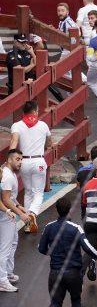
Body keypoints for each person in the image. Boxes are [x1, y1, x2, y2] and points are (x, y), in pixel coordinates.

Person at [38, 198, 97, 307]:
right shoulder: (75, 228)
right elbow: (87, 246)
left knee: (56, 302)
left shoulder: (49, 227)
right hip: (73, 273)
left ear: (57, 210)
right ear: (69, 210)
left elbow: (41, 248)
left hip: (55, 272)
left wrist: (52, 253)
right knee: (76, 300)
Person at [10, 100, 52, 233]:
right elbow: (49, 143)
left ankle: (27, 224)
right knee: (38, 192)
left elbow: (14, 141)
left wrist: (10, 159)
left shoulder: (17, 125)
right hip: (38, 161)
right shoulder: (43, 125)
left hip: (24, 163)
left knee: (28, 192)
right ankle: (32, 214)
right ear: (34, 111)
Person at [0, 149, 30, 292]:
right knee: (4, 249)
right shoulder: (6, 176)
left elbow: (10, 197)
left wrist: (19, 205)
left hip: (9, 215)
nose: (20, 162)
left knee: (13, 243)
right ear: (10, 159)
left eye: (21, 160)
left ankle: (8, 273)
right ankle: (2, 281)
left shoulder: (10, 173)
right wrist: (20, 214)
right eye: (17, 159)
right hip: (5, 217)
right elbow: (5, 199)